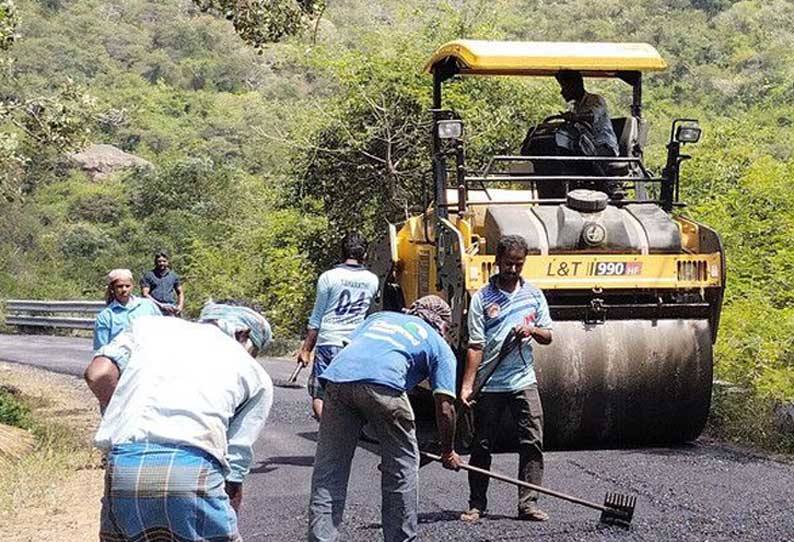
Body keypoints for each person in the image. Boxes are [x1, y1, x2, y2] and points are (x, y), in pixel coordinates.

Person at [83, 300, 274, 542]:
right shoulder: (255, 374)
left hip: (125, 465)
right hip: (194, 471)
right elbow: (233, 474)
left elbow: (98, 374)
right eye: (254, 349)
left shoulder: (148, 328)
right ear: (244, 334)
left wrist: (121, 410)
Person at [308, 295, 462, 542]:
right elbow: (445, 408)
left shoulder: (378, 318)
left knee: (329, 472)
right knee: (401, 471)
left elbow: (358, 352)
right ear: (443, 325)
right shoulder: (440, 345)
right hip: (385, 387)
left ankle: (320, 538)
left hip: (338, 381)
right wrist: (447, 451)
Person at [459, 235, 553, 523]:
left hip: (524, 381)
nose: (513, 269)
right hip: (491, 383)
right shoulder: (482, 299)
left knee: (532, 441)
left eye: (519, 264)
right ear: (497, 261)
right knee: (482, 444)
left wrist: (532, 331)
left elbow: (548, 335)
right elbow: (475, 345)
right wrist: (467, 385)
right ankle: (477, 504)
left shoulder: (534, 295)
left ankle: (528, 504)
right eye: (508, 263)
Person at [298, 232, 379, 420]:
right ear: (364, 255)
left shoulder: (329, 277)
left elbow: (316, 317)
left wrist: (306, 350)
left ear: (342, 253)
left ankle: (328, 431)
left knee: (320, 394)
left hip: (328, 341)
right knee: (350, 394)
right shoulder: (372, 280)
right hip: (354, 344)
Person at [555, 69, 619, 158]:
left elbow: (592, 115)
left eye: (564, 87)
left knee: (579, 159)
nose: (561, 92)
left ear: (576, 85)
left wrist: (575, 117)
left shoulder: (596, 100)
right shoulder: (575, 107)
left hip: (604, 146)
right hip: (586, 145)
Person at [93, 268, 161, 350]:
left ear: (132, 286)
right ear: (112, 289)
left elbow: (161, 330)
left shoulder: (148, 305)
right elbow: (101, 349)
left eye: (127, 286)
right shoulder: (105, 316)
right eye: (119, 286)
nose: (124, 289)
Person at [140, 251, 185, 316]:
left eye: (164, 261)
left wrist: (180, 306)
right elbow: (145, 294)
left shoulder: (174, 276)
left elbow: (180, 292)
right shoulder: (149, 276)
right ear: (155, 262)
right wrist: (161, 305)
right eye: (159, 261)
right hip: (153, 307)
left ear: (168, 262)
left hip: (170, 307)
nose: (162, 263)